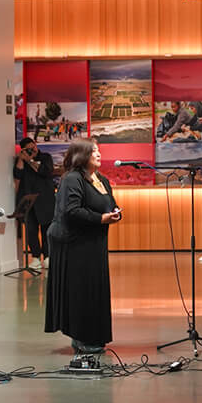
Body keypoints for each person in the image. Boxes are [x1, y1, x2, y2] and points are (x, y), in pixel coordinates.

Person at [46, 138, 123, 359]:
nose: (98, 154)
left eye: (98, 150)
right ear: (82, 155)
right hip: (74, 243)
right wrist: (101, 219)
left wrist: (115, 213)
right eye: (93, 151)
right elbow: (71, 211)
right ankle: (80, 337)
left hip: (94, 243)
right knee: (81, 291)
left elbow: (110, 204)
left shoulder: (101, 179)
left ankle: (94, 336)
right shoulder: (72, 179)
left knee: (94, 290)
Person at [12, 137, 56, 271]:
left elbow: (45, 171)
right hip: (29, 201)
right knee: (31, 230)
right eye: (29, 149)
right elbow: (17, 174)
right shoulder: (22, 160)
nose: (33, 150)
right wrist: (21, 159)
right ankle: (35, 257)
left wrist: (30, 161)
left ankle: (48, 257)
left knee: (46, 230)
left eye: (33, 146)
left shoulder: (46, 157)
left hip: (45, 200)